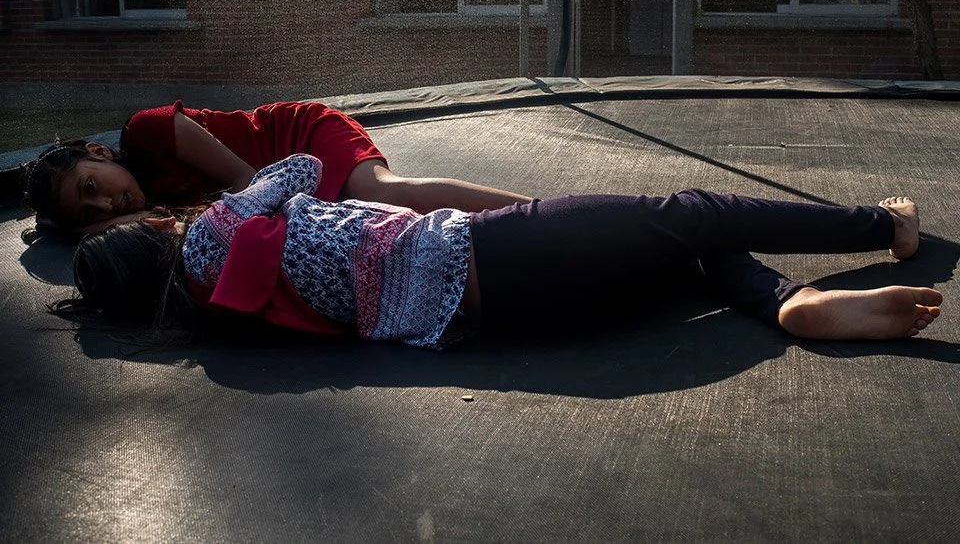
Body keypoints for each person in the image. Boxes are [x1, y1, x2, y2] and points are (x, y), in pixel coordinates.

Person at [55, 154, 944, 351]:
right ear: (149, 236)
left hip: (512, 322)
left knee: (681, 255)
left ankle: (784, 301)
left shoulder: (213, 321)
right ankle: (880, 224)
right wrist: (212, 204)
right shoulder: (212, 231)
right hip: (500, 253)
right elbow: (300, 165)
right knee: (697, 209)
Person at [20, 100, 531, 234]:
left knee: (385, 194)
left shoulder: (149, 128)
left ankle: (534, 214)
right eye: (92, 213)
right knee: (389, 231)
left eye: (92, 186)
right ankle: (495, 240)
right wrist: (96, 225)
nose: (106, 203)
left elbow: (250, 182)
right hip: (288, 201)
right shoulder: (142, 204)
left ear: (100, 151)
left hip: (298, 142)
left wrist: (92, 223)